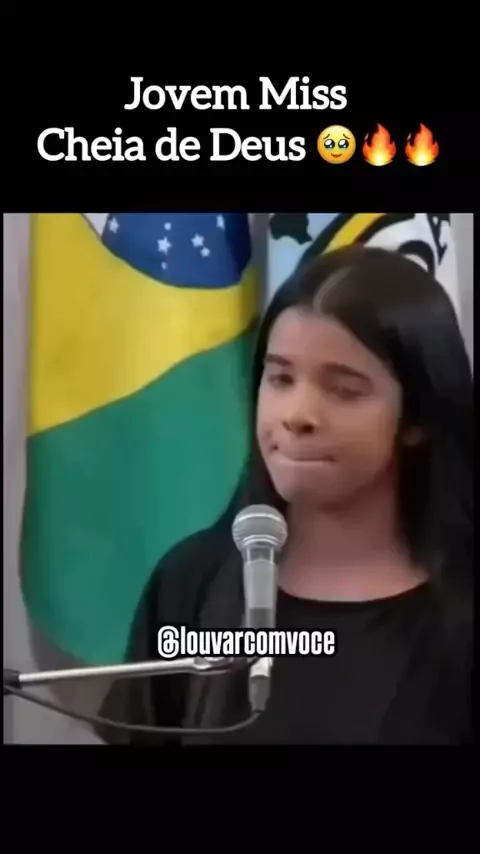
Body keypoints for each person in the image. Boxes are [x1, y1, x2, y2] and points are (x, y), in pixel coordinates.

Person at [95, 245, 473, 745]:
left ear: (417, 419)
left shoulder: (459, 606)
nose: (296, 415)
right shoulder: (192, 581)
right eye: (281, 379)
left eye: (344, 390)